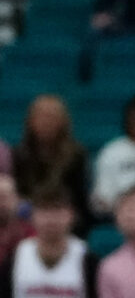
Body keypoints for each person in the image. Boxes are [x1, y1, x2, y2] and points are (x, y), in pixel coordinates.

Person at [16, 96, 91, 237]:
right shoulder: (20, 155)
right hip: (28, 218)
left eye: (51, 118)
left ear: (63, 122)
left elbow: (80, 199)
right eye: (41, 117)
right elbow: (19, 193)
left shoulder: (77, 155)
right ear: (30, 122)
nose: (46, 123)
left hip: (66, 218)